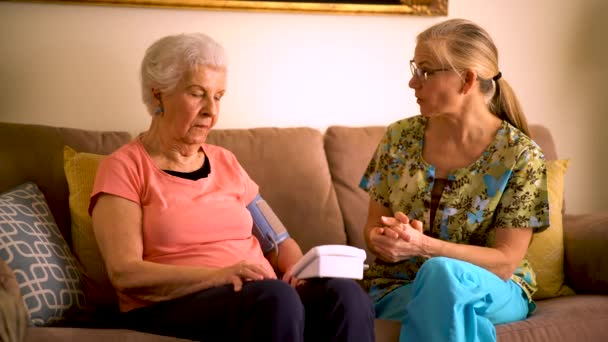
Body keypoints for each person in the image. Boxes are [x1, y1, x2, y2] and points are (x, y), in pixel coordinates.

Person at [88, 33, 375, 342]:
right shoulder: (123, 167)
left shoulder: (226, 162)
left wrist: (299, 270)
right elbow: (124, 273)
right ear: (158, 95)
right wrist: (218, 275)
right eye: (197, 94)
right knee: (275, 299)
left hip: (255, 293)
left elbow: (278, 239)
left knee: (346, 295)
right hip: (169, 305)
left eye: (218, 96)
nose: (211, 110)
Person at [360, 18, 550, 342]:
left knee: (439, 275)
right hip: (398, 289)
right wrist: (384, 240)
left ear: (467, 80)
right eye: (414, 68)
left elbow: (505, 263)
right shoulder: (398, 138)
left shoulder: (521, 156)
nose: (411, 82)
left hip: (495, 289)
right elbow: (370, 230)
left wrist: (424, 247)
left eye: (425, 71)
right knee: (446, 305)